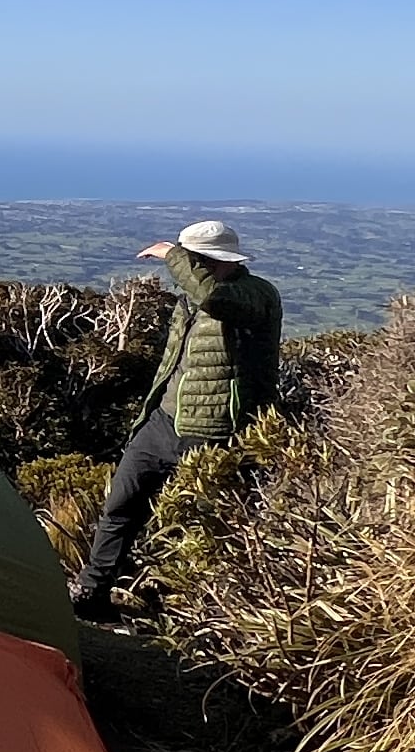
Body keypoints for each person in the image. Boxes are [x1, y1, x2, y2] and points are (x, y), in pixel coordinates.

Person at [69, 217, 284, 613]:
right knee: (120, 508)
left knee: (208, 525)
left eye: (193, 259)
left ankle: (203, 609)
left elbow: (213, 299)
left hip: (215, 431)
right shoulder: (193, 296)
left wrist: (171, 254)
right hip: (162, 423)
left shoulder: (256, 296)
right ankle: (91, 594)